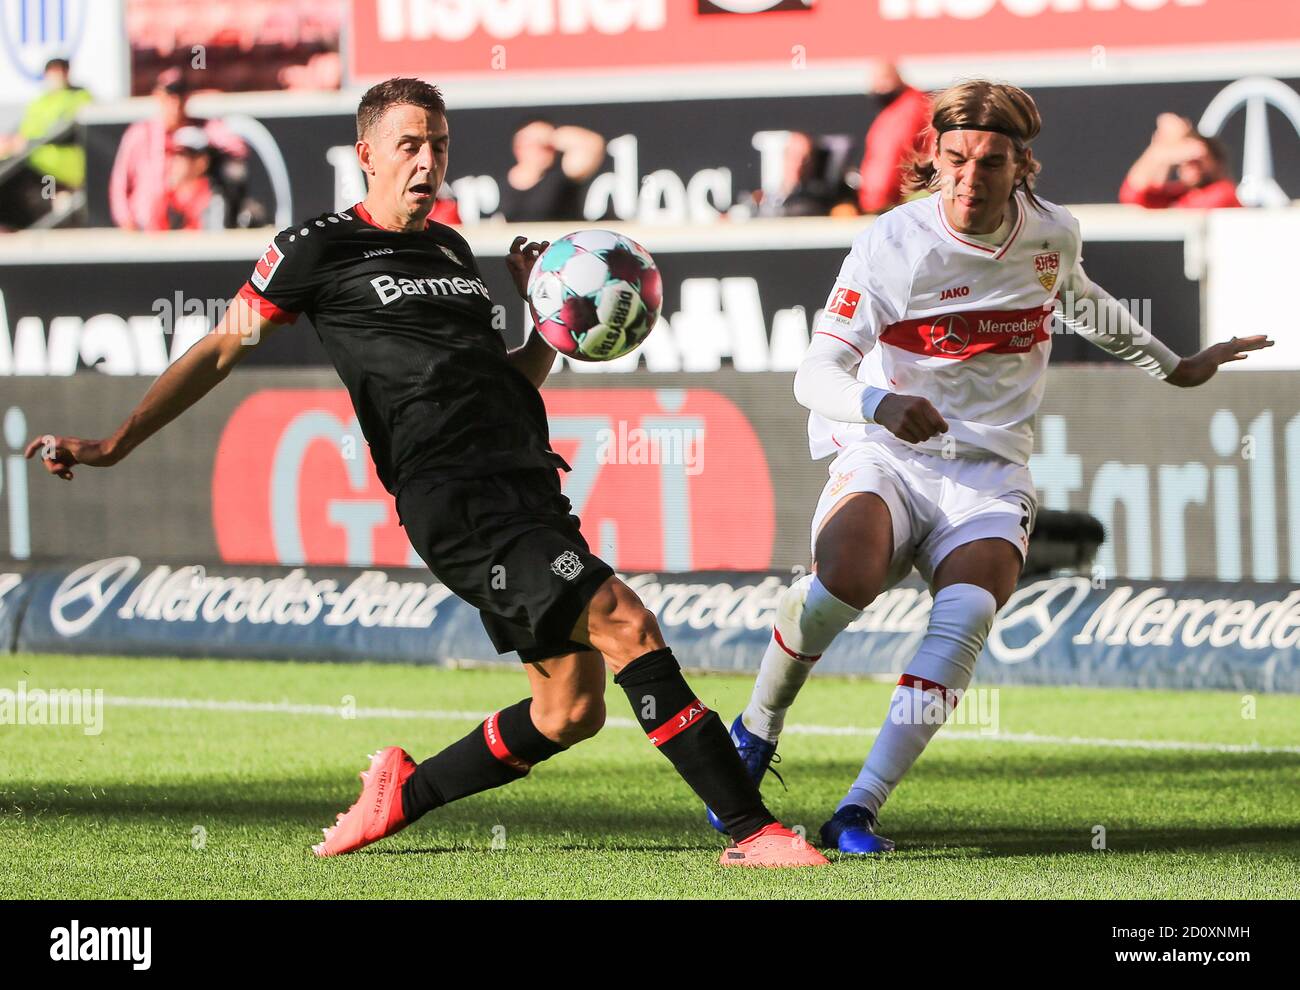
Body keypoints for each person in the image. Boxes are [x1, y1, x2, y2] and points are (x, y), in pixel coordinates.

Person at [26, 77, 825, 870]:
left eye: (438, 144)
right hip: (454, 494)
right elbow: (220, 349)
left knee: (570, 710)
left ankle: (403, 793)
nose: (426, 161)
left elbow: (503, 380)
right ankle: (753, 830)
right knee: (626, 621)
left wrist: (547, 326)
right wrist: (114, 443)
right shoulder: (316, 248)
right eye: (409, 144)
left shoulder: (450, 248)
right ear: (365, 153)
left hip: (525, 479)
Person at [708, 80, 1271, 854]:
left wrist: (1175, 367)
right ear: (933, 159)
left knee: (968, 615)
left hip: (989, 470)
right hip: (888, 449)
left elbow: (1079, 301)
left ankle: (859, 809)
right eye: (957, 158)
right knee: (846, 579)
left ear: (1022, 166)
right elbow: (814, 374)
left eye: (992, 161)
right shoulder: (893, 244)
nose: (972, 176)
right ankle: (758, 729)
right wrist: (877, 405)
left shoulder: (1050, 234)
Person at [109, 68, 249, 231]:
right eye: (169, 97)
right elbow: (120, 182)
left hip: (186, 226)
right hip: (144, 228)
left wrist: (202, 145)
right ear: (158, 96)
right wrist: (125, 219)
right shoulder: (140, 133)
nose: (175, 104)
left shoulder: (200, 128)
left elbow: (237, 148)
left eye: (180, 97)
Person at [0, 57, 92, 230]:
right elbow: (24, 130)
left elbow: (66, 132)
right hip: (33, 162)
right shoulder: (40, 103)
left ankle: (55, 209)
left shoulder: (80, 97)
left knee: (44, 189)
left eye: (60, 73)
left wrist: (28, 144)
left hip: (58, 169)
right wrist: (10, 142)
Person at [1119, 113, 1241, 209]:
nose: (1191, 164)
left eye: (1197, 160)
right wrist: (1159, 151)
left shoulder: (1224, 193)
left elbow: (1191, 213)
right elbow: (1132, 195)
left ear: (1218, 163)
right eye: (1185, 160)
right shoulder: (1178, 195)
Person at [856, 61, 932, 214]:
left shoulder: (905, 112)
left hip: (900, 204)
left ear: (897, 79)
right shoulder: (901, 109)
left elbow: (892, 157)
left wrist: (877, 203)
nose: (878, 88)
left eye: (884, 80)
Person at [497, 119, 605, 222]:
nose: (544, 151)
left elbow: (593, 144)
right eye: (533, 144)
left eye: (547, 146)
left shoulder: (560, 179)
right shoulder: (500, 184)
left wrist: (550, 136)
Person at [750, 131, 858, 218]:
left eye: (804, 159)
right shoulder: (766, 196)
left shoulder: (822, 195)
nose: (799, 164)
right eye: (793, 157)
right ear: (784, 158)